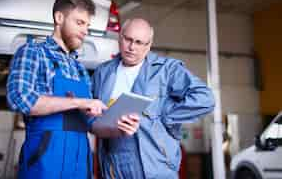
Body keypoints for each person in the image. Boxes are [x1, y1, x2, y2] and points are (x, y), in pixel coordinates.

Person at [6, 0, 139, 179]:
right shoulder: (33, 52)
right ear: (59, 18)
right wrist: (78, 102)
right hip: (44, 162)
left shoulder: (79, 69)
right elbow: (20, 99)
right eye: (79, 23)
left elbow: (92, 124)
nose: (85, 31)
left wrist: (118, 128)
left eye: (87, 25)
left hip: (79, 165)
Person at [92, 18, 215, 179]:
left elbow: (205, 99)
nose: (132, 47)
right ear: (120, 37)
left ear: (148, 45)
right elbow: (90, 114)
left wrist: (165, 115)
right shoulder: (103, 72)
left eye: (139, 42)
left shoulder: (166, 70)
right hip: (114, 165)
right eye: (128, 39)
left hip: (155, 163)